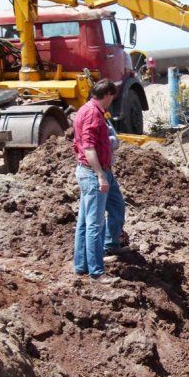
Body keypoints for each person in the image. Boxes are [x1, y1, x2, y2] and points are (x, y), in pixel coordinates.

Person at [72, 79, 126, 284]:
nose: (112, 101)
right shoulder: (93, 113)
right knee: (93, 224)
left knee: (90, 220)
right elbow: (88, 147)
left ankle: (83, 265)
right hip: (94, 174)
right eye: (112, 97)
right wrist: (100, 175)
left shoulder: (87, 109)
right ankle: (95, 272)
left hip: (99, 171)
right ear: (107, 95)